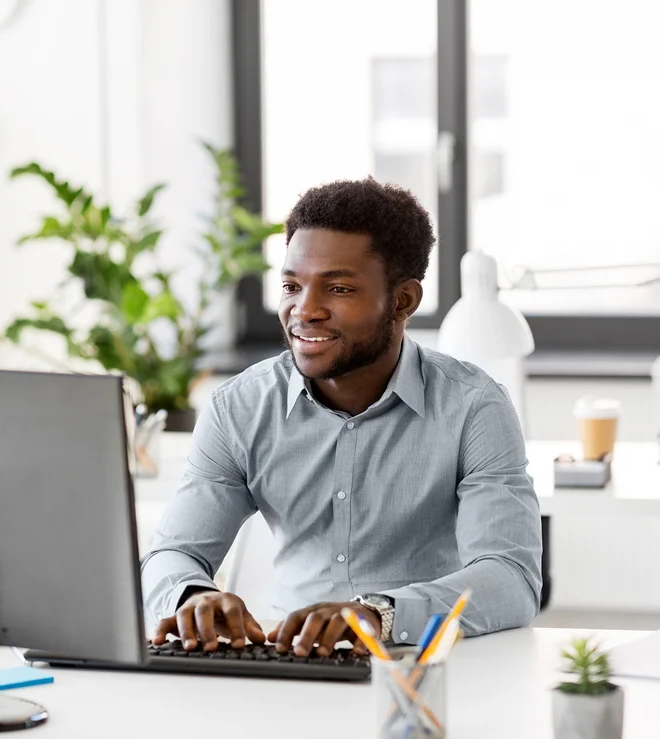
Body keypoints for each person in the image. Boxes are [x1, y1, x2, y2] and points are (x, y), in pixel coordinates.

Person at [142, 177, 542, 657]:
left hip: (425, 665)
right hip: (286, 666)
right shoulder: (240, 407)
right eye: (291, 285)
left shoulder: (474, 407)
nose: (303, 310)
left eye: (337, 288)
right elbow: (172, 553)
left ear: (403, 301)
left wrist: (378, 614)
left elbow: (510, 577)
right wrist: (191, 596)